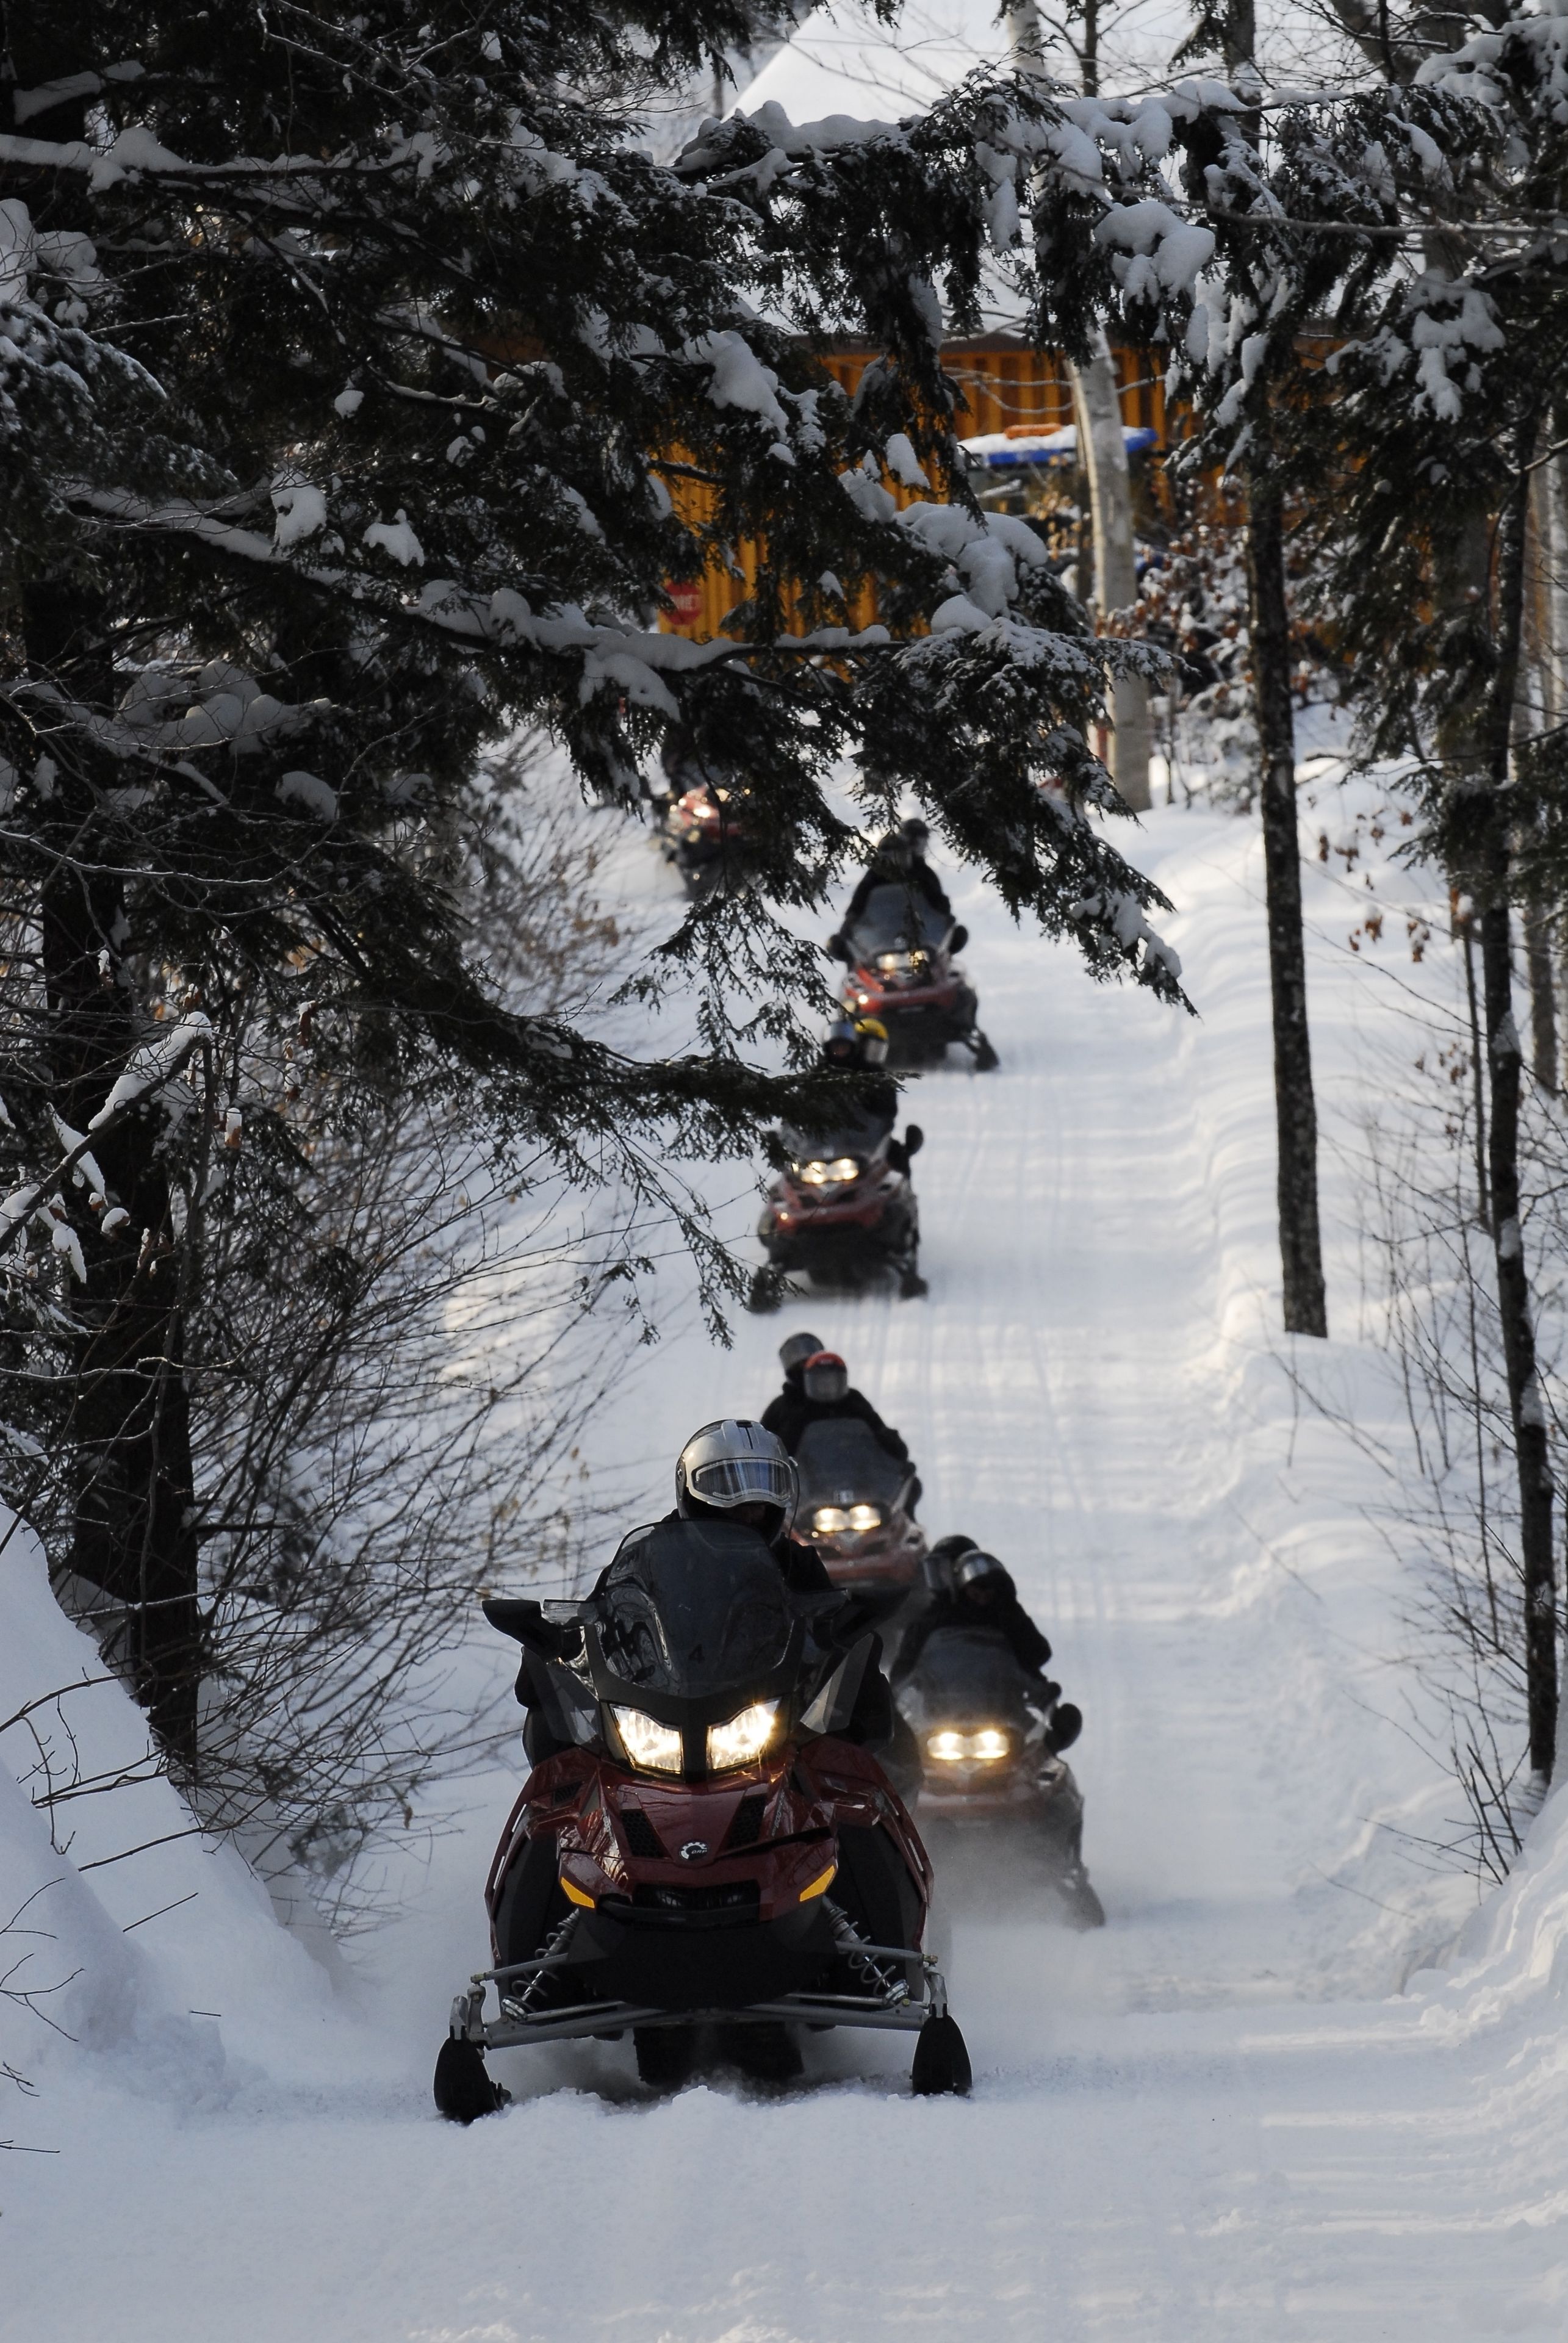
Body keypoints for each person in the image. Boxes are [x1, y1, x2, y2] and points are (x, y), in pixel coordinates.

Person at [896, 1543, 1058, 1688]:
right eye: (976, 1591)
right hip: (939, 1708)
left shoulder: (1005, 1613)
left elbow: (1038, 1655)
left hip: (1002, 1705)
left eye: (987, 1591)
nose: (981, 1598)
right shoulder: (934, 1618)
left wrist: (1012, 1619)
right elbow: (903, 1669)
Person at [832, 826, 951, 954]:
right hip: (881, 934)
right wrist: (851, 922)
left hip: (920, 932)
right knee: (858, 957)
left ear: (908, 854)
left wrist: (944, 919)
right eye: (888, 857)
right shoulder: (874, 876)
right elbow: (859, 901)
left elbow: (938, 901)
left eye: (900, 855)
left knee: (943, 957)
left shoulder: (923, 873)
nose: (895, 861)